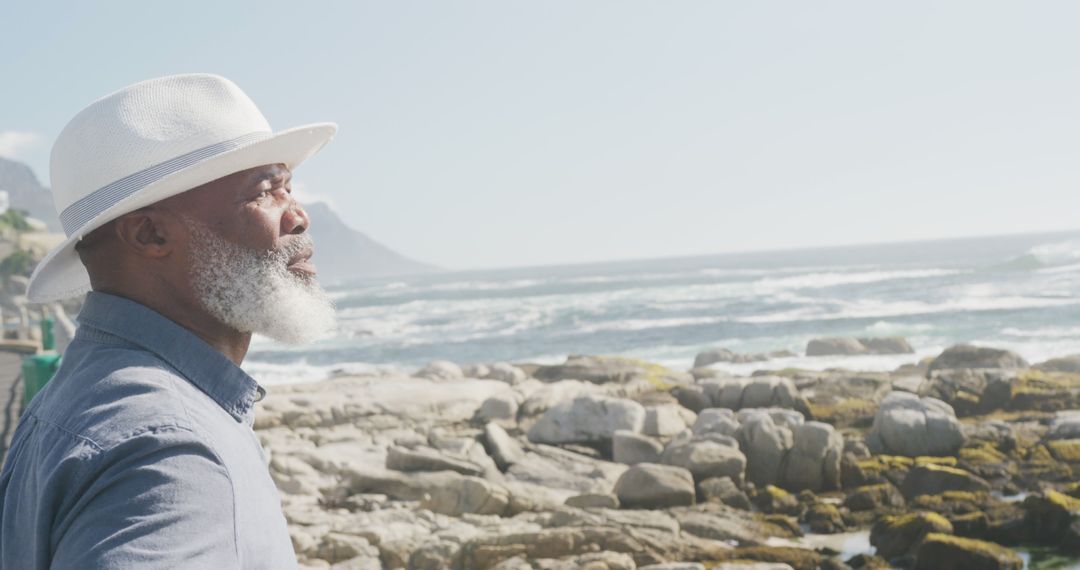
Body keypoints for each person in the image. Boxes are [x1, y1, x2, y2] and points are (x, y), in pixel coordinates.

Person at [0, 74, 338, 568]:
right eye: (268, 191)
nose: (299, 215)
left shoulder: (83, 397)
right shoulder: (170, 451)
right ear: (151, 233)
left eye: (289, 187)